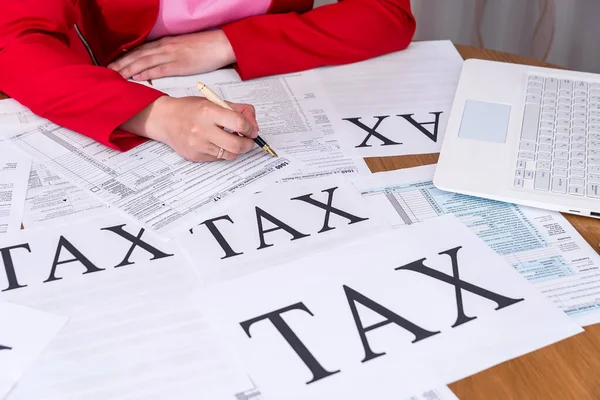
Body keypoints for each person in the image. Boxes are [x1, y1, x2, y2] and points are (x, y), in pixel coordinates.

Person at [0, 0, 416, 162]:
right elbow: (14, 43)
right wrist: (155, 115)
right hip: (90, 93)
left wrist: (227, 42)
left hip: (244, 75)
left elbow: (386, 15)